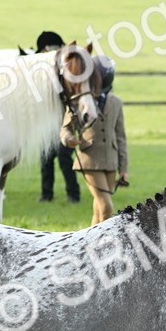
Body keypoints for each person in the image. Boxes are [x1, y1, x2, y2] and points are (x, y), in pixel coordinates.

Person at [63, 55, 127, 225]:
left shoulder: (116, 102)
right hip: (90, 159)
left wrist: (124, 168)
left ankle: (88, 244)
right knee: (106, 206)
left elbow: (121, 137)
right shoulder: (80, 101)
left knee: (99, 208)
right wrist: (69, 139)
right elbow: (65, 129)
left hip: (110, 160)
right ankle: (103, 246)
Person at [35, 31, 81, 204]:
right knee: (46, 160)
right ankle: (46, 194)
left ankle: (73, 195)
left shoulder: (66, 66)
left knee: (63, 158)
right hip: (47, 123)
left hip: (64, 121)